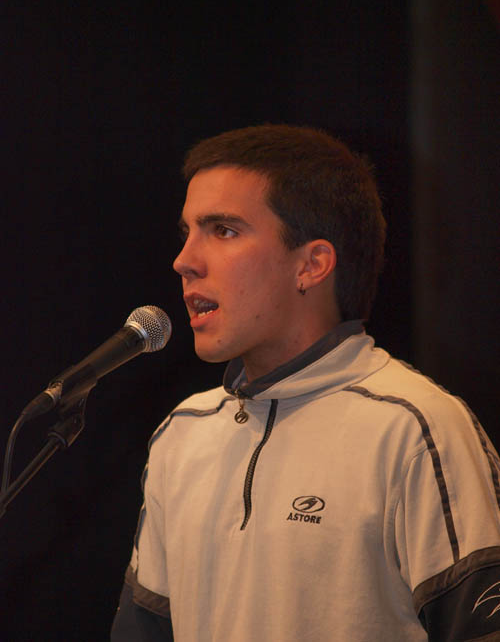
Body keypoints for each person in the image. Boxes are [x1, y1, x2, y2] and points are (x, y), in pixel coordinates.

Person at [111, 124, 500, 641]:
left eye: (222, 230)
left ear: (312, 265)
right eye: (188, 232)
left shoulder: (415, 429)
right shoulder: (181, 435)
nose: (184, 261)